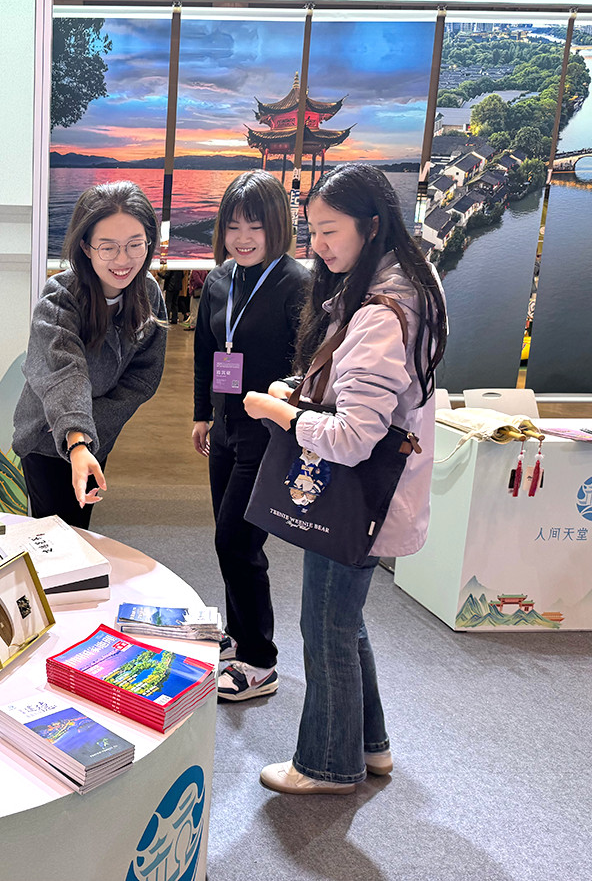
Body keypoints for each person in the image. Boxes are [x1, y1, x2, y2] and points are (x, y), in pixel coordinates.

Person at [243, 163, 447, 794]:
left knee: (326, 625)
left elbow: (354, 438)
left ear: (372, 225)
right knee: (344, 618)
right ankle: (370, 743)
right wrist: (303, 390)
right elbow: (363, 394)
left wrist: (279, 412)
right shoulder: (409, 283)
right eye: (313, 231)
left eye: (331, 231)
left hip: (356, 498)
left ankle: (328, 765)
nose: (319, 246)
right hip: (380, 496)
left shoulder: (381, 311)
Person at [191, 170, 310, 701]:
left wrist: (285, 399)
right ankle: (238, 637)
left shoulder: (297, 284)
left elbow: (308, 364)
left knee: (238, 541)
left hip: (267, 433)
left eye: (254, 227)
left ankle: (260, 660)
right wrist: (203, 414)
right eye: (233, 226)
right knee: (229, 536)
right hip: (225, 428)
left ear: (277, 226)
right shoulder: (220, 279)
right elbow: (206, 349)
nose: (242, 238)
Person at [13, 180, 167, 528]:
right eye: (108, 247)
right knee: (55, 533)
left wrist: (92, 431)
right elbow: (64, 373)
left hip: (97, 436)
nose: (123, 260)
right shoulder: (61, 296)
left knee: (78, 529)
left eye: (135, 245)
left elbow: (143, 377)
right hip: (48, 436)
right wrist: (77, 438)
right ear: (86, 246)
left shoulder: (148, 294)